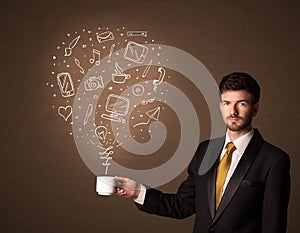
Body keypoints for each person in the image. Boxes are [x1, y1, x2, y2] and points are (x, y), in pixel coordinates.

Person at [115, 72, 290, 233]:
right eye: (227, 103)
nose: (233, 111)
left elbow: (273, 226)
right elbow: (182, 205)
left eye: (241, 104)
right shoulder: (205, 151)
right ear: (221, 107)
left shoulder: (274, 160)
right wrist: (137, 191)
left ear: (255, 109)